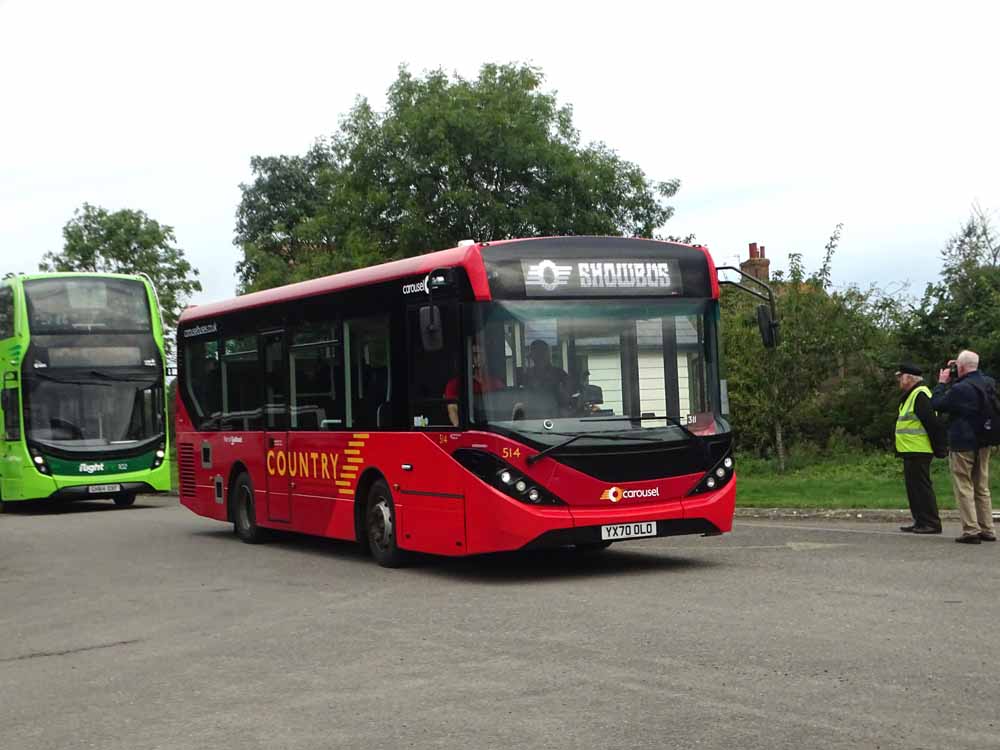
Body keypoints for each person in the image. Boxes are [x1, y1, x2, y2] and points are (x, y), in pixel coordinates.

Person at [931, 350, 997, 544]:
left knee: (964, 484)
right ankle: (988, 528)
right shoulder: (988, 383)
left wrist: (942, 382)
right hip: (985, 439)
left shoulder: (961, 389)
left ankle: (971, 529)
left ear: (959, 367)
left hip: (963, 441)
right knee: (982, 486)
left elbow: (938, 403)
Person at [893, 363, 943, 534]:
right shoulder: (912, 394)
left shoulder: (920, 395)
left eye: (901, 377)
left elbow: (932, 424)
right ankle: (920, 521)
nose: (899, 380)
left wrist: (940, 448)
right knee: (914, 489)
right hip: (911, 449)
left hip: (920, 449)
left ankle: (931, 522)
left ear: (909, 378)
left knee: (921, 487)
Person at [443, 343, 503, 426]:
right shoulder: (454, 384)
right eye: (475, 354)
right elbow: (452, 409)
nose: (478, 358)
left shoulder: (496, 383)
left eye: (481, 354)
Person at [521, 340, 571, 411]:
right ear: (532, 355)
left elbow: (569, 397)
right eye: (536, 352)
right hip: (532, 416)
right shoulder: (527, 376)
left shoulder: (559, 374)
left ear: (548, 354)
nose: (540, 355)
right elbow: (523, 398)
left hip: (559, 417)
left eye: (543, 352)